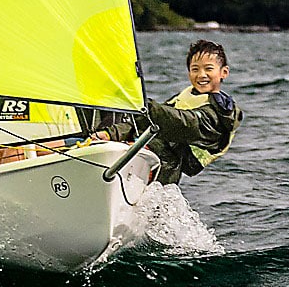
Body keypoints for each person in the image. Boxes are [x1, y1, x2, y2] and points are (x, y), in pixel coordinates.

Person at [94, 39, 242, 184]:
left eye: (209, 69)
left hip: (170, 166)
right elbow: (146, 122)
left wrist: (142, 105)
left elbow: (183, 123)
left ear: (224, 72)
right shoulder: (185, 97)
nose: (201, 75)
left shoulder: (220, 113)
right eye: (195, 69)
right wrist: (110, 134)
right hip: (153, 152)